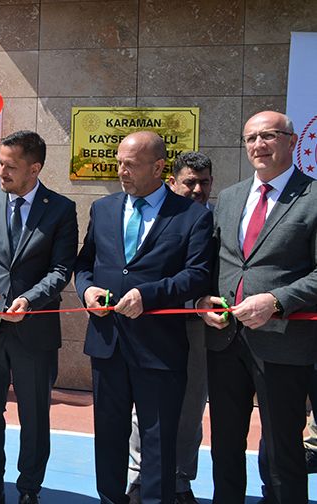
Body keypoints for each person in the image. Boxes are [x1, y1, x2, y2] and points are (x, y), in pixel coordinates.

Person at [73, 131, 212, 504]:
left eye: (131, 165)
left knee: (159, 441)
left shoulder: (192, 217)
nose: (122, 171)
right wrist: (86, 291)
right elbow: (85, 263)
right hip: (108, 343)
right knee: (110, 435)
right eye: (119, 162)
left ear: (159, 167)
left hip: (159, 347)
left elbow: (197, 274)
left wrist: (147, 295)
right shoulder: (103, 209)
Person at [197, 111, 317, 504]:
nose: (258, 145)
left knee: (283, 448)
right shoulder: (230, 197)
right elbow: (215, 263)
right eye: (250, 138)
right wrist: (202, 301)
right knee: (226, 443)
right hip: (226, 340)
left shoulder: (312, 197)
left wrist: (278, 300)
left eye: (268, 136)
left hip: (283, 343)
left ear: (292, 141)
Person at [0, 130, 78, 504]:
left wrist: (28, 300)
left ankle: (29, 490)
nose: (1, 172)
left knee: (35, 416)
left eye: (10, 166)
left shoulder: (60, 209)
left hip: (34, 331)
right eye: (0, 164)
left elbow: (60, 269)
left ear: (35, 167)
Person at [126, 151, 214, 504]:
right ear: (172, 181)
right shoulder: (151, 217)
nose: (197, 189)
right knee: (143, 410)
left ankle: (180, 479)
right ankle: (137, 477)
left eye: (204, 182)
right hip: (152, 325)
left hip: (196, 328)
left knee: (191, 409)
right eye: (189, 182)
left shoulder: (217, 220)